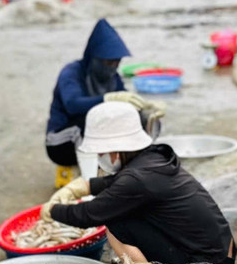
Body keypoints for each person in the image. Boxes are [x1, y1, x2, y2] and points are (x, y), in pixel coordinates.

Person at [43, 102, 233, 264]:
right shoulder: (152, 159)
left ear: (116, 149)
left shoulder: (136, 180)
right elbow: (117, 183)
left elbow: (89, 214)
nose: (100, 158)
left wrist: (52, 211)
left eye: (101, 153)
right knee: (125, 211)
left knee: (116, 221)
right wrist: (83, 187)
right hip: (222, 251)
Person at [45, 18, 159, 181]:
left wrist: (147, 108)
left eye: (116, 62)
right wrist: (107, 98)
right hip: (60, 142)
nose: (113, 66)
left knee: (137, 119)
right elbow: (73, 104)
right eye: (108, 62)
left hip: (93, 139)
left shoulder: (113, 77)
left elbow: (126, 106)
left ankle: (137, 172)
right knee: (90, 122)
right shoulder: (72, 73)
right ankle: (89, 180)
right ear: (94, 57)